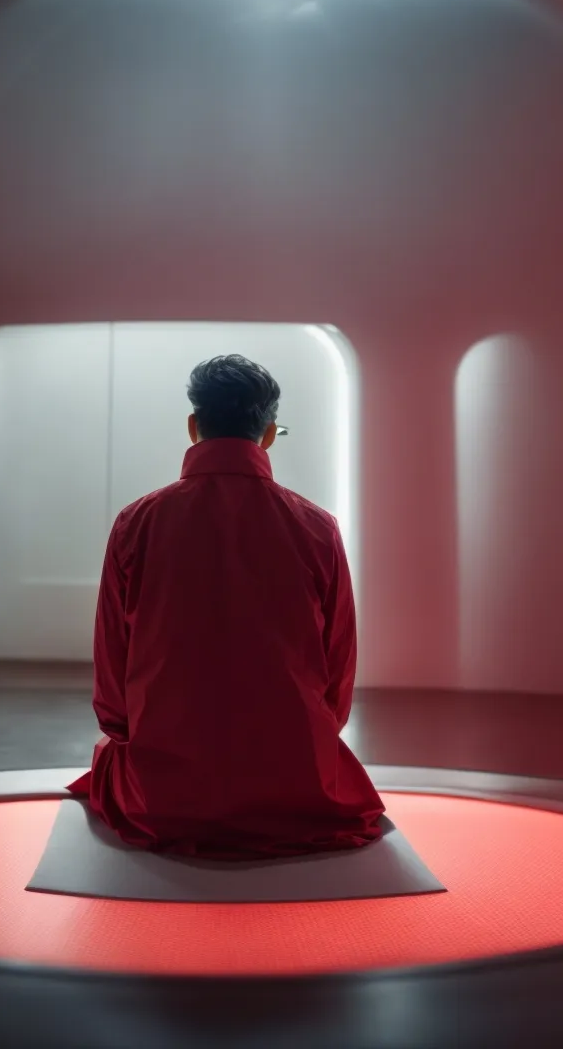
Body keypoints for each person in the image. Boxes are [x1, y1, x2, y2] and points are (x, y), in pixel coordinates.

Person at [67, 354, 385, 860]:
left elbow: (113, 652)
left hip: (168, 786)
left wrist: (124, 737)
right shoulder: (317, 526)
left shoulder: (138, 522)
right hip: (293, 774)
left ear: (195, 427)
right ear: (268, 434)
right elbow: (338, 658)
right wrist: (314, 742)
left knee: (110, 763)